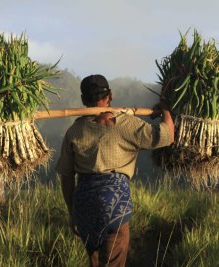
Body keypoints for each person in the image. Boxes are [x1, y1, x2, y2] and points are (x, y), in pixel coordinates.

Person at [56, 74, 174, 267]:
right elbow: (167, 136)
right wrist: (166, 110)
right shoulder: (125, 124)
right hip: (114, 208)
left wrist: (72, 212)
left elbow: (67, 176)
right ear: (110, 95)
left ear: (84, 100)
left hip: (84, 205)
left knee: (95, 263)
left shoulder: (74, 131)